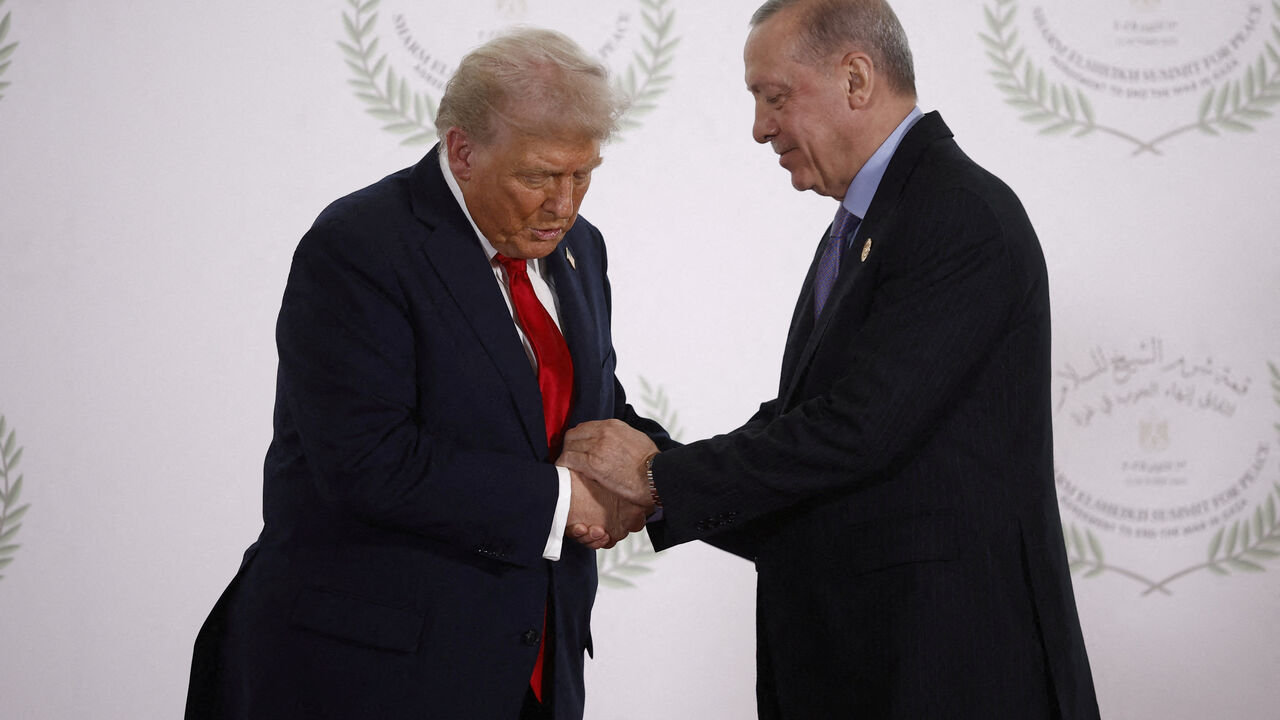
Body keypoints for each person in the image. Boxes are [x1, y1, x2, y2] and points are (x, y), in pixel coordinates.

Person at [559, 1, 1102, 717]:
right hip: (875, 660)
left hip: (950, 669)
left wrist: (657, 478)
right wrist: (658, 464)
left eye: (774, 97)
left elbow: (857, 431)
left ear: (855, 78)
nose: (759, 128)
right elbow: (805, 424)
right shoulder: (870, 224)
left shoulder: (959, 214)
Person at [185, 28, 667, 720]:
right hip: (369, 677)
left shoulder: (580, 251)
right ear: (462, 151)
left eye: (582, 174)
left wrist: (674, 477)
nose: (564, 204)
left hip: (533, 669)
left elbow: (592, 419)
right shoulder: (360, 246)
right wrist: (565, 503)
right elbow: (367, 460)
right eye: (538, 176)